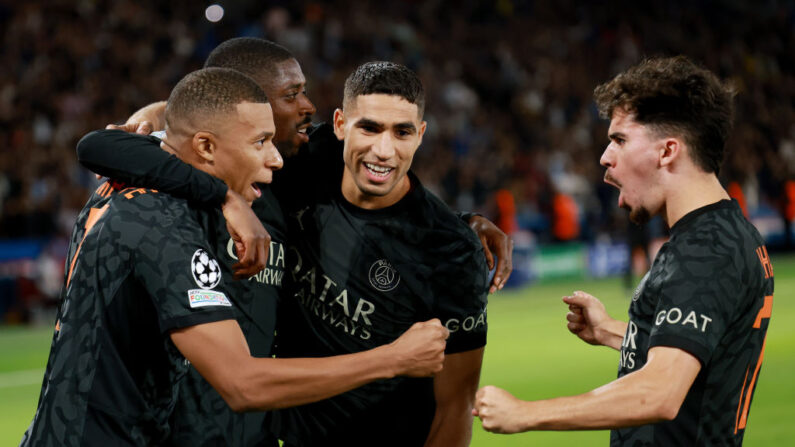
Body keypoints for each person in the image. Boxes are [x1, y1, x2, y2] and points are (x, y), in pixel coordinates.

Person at [21, 67, 450, 447]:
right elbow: (243, 384)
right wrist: (393, 358)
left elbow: (114, 143)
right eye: (260, 142)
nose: (275, 157)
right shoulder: (166, 229)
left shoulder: (123, 184)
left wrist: (224, 194)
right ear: (206, 147)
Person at [473, 56, 774, 446]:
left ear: (667, 151)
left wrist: (526, 412)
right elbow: (699, 350)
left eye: (619, 140)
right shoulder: (729, 234)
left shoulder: (704, 252)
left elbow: (660, 392)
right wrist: (615, 332)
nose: (604, 157)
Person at [104, 37, 513, 293]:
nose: (309, 106)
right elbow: (100, 148)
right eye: (292, 95)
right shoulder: (183, 166)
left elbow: (395, 187)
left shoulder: (313, 150)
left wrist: (462, 222)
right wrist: (226, 197)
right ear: (244, 101)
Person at [267, 61, 488, 447]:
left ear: (420, 135)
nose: (383, 151)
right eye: (368, 128)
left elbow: (455, 406)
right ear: (339, 125)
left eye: (402, 132)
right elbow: (202, 121)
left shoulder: (450, 251)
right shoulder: (305, 159)